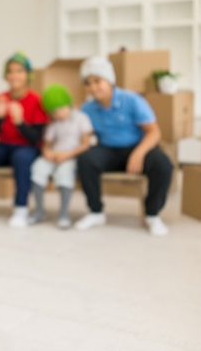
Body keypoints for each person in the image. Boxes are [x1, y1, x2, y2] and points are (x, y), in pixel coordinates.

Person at [75, 55, 172, 236]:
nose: (93, 87)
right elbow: (83, 134)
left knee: (163, 165)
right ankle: (96, 212)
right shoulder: (87, 108)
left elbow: (154, 132)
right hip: (108, 150)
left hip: (137, 146)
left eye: (97, 81)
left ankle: (152, 214)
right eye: (87, 83)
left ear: (109, 80)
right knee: (86, 160)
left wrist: (139, 153)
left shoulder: (132, 100)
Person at [0, 52, 48, 227]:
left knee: (21, 159)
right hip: (4, 145)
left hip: (28, 146)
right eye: (11, 71)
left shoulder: (36, 100)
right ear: (6, 75)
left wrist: (20, 122)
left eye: (19, 71)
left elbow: (36, 138)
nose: (14, 75)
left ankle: (21, 209)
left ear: (28, 75)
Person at [29, 84, 93, 229]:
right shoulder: (54, 124)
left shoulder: (81, 118)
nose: (57, 115)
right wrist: (47, 152)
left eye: (59, 110)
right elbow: (47, 144)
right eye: (53, 113)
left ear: (68, 104)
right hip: (55, 155)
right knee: (37, 169)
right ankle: (39, 210)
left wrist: (67, 155)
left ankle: (64, 214)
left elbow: (86, 144)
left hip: (71, 155)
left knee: (64, 175)